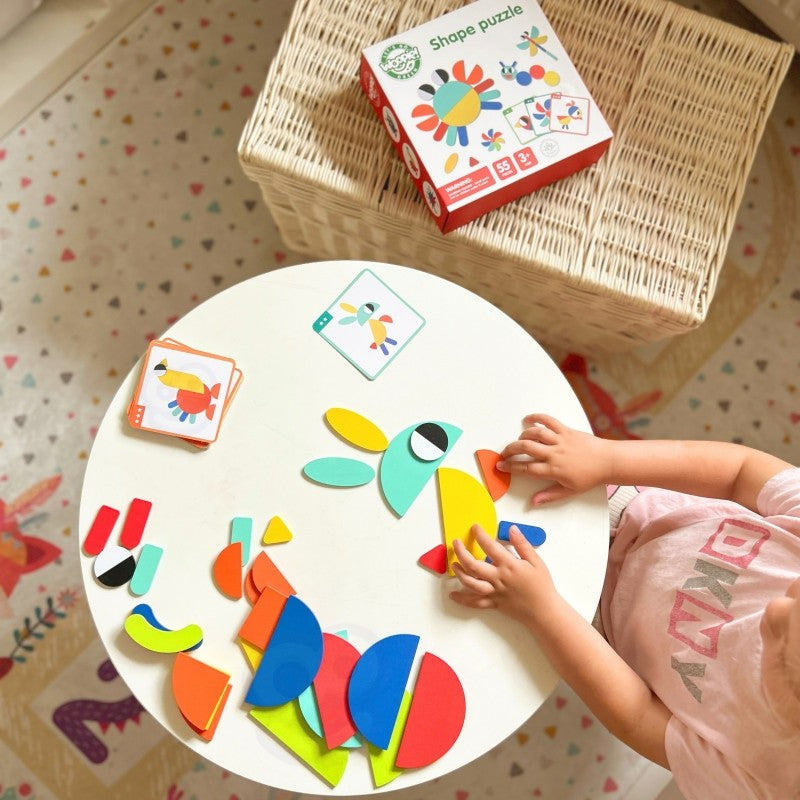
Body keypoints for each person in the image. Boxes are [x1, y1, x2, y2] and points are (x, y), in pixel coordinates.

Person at [449, 413, 800, 800]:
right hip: (639, 509)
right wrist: (606, 458)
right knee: (506, 449)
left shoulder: (768, 776)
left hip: (591, 624)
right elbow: (741, 471)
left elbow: (637, 716)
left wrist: (543, 610)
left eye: (779, 644)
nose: (774, 611)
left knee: (458, 608)